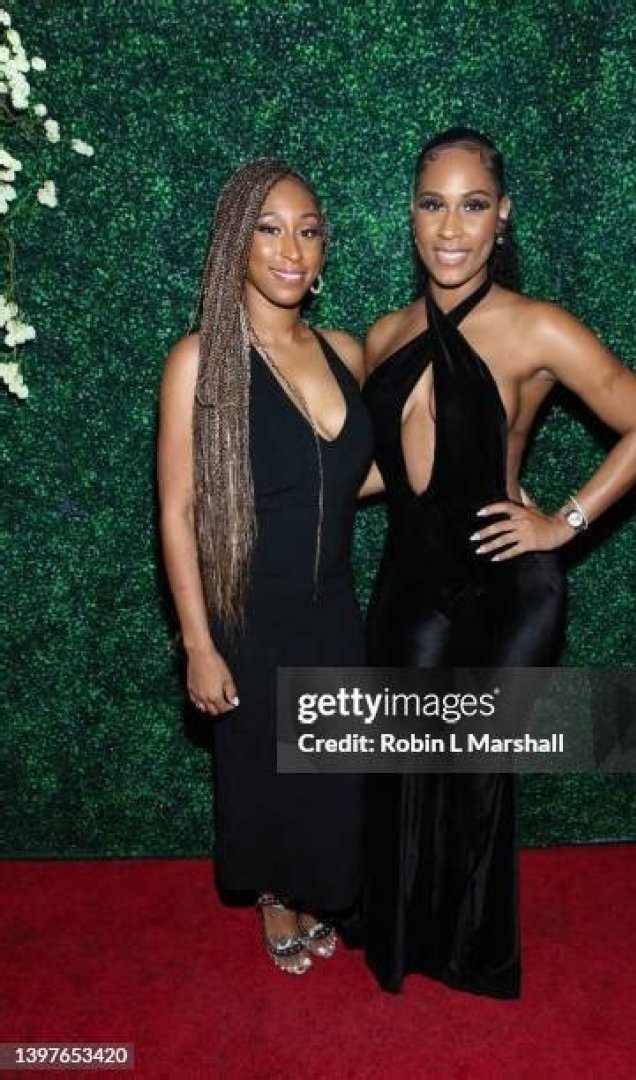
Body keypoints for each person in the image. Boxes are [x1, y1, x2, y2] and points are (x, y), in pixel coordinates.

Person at [361, 128, 636, 996]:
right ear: (410, 215)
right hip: (409, 576)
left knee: (470, 770)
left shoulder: (537, 326)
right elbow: (382, 469)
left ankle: (472, 951)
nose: (450, 228)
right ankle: (402, 937)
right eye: (433, 205)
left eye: (472, 206)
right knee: (396, 761)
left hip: (504, 582)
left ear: (501, 216)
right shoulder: (384, 334)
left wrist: (562, 523)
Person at [157, 158, 374, 974]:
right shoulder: (199, 362)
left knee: (333, 771)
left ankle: (319, 885)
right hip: (247, 612)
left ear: (324, 251)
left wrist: (464, 474)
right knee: (262, 774)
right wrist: (198, 644)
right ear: (235, 244)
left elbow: (350, 474)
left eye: (308, 231)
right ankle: (274, 896)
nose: (291, 249)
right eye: (270, 229)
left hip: (334, 605)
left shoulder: (346, 351)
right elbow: (177, 509)